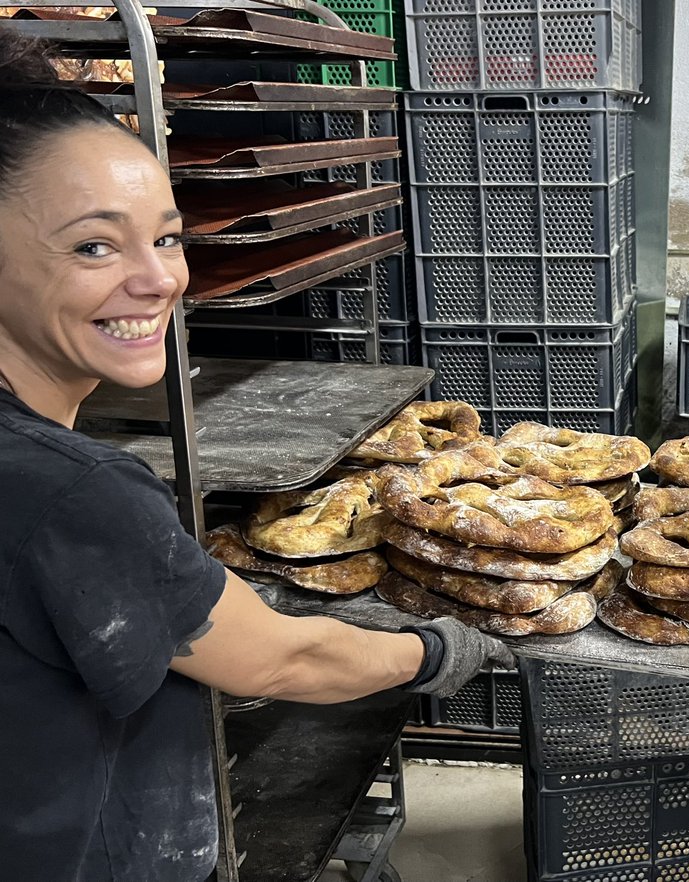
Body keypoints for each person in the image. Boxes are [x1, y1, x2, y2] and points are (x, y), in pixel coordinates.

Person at [0, 33, 514, 882]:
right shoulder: (72, 495)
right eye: (94, 246)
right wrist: (439, 650)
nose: (158, 279)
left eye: (166, 238)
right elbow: (282, 657)